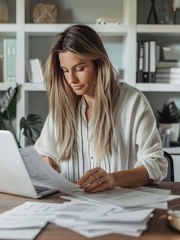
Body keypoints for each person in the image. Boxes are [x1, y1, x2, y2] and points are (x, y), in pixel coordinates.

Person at [34, 24, 167, 193]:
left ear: (99, 63)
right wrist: (46, 161)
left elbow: (155, 164)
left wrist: (113, 179)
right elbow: (42, 154)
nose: (71, 79)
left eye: (80, 69)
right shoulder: (63, 105)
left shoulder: (133, 101)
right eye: (65, 70)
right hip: (69, 206)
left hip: (120, 207)